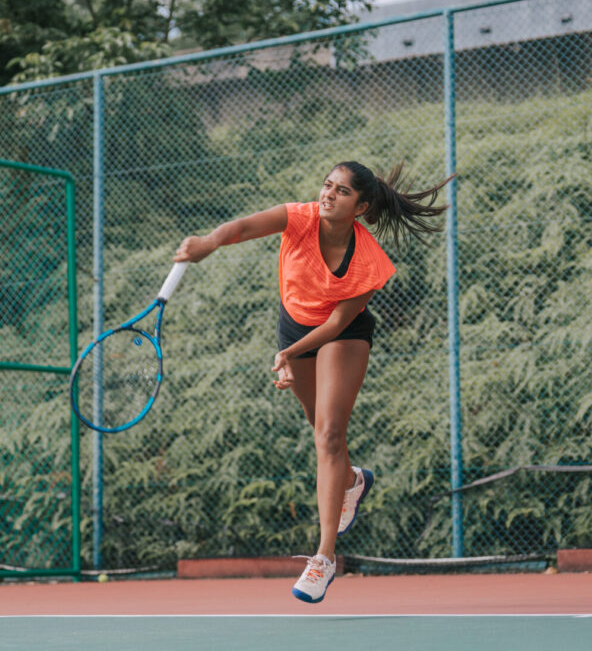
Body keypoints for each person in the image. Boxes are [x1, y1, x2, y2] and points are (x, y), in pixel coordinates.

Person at [173, 160, 453, 603]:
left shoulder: (368, 260)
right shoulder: (298, 217)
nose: (328, 194)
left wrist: (286, 355)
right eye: (327, 185)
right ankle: (351, 481)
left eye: (342, 192)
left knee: (329, 433)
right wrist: (208, 243)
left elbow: (341, 319)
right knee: (317, 424)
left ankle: (323, 558)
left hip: (343, 334)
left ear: (360, 207)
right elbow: (243, 228)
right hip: (295, 327)